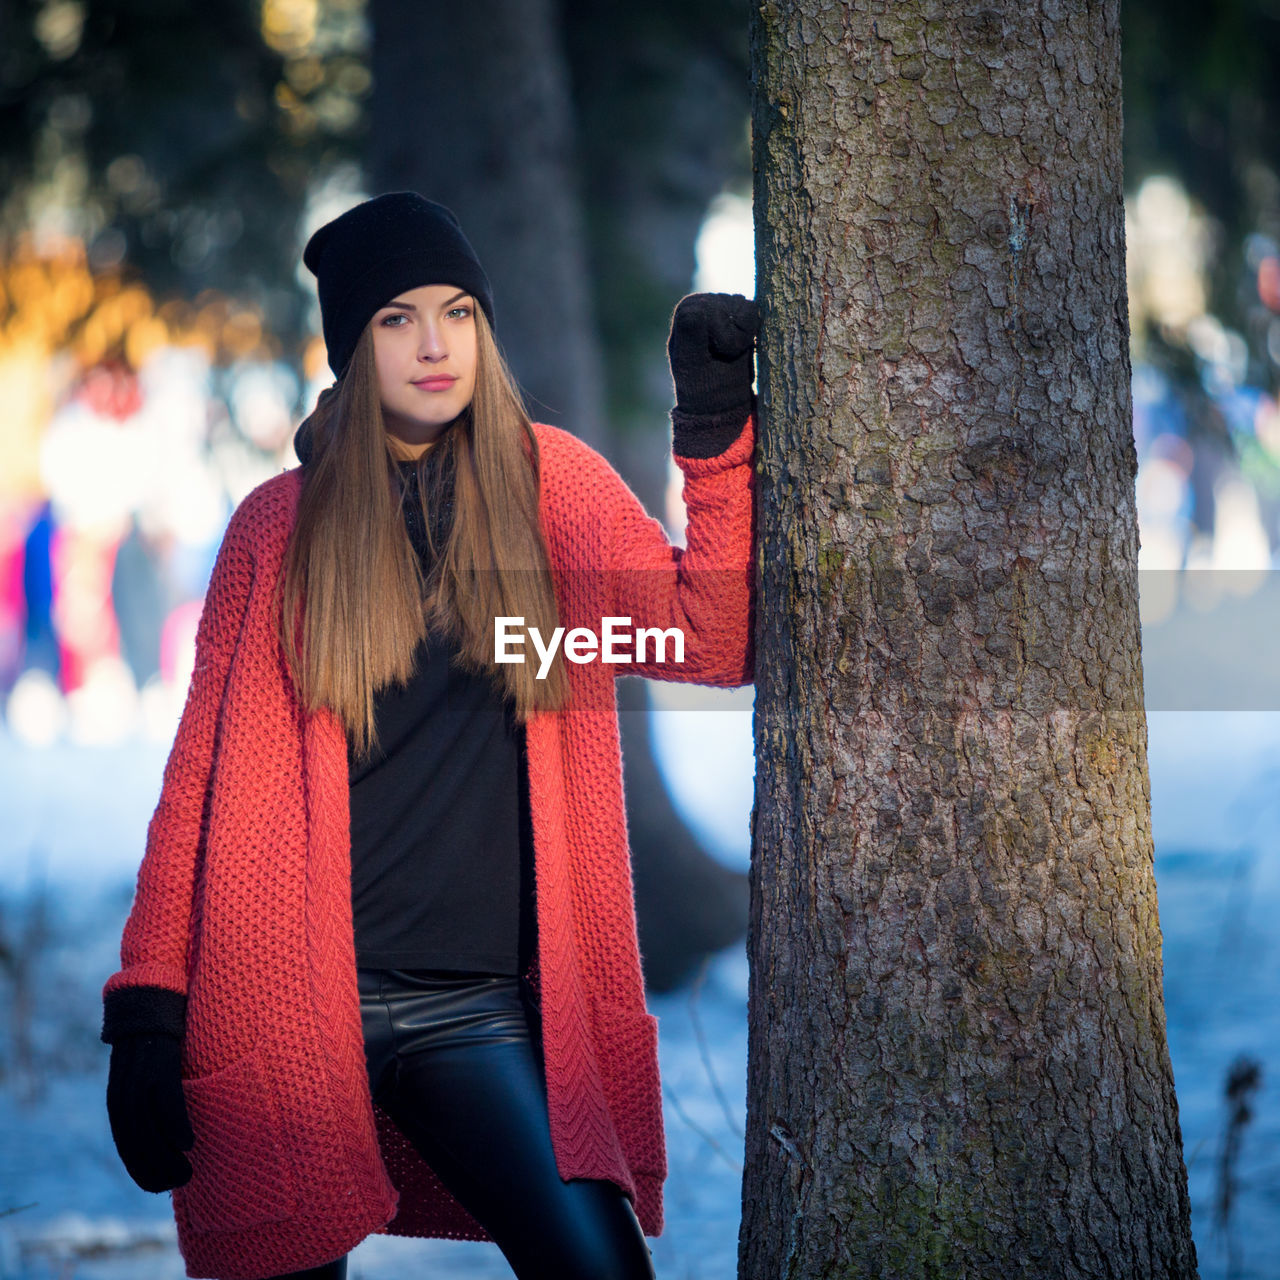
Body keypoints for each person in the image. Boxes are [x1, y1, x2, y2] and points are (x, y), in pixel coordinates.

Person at [100, 192, 758, 1280]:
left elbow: (711, 635)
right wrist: (147, 1011)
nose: (435, 342)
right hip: (284, 1009)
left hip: (477, 1014)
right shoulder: (279, 527)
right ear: (354, 346)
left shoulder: (554, 489)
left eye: (456, 310)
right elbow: (197, 787)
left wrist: (712, 435)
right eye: (398, 317)